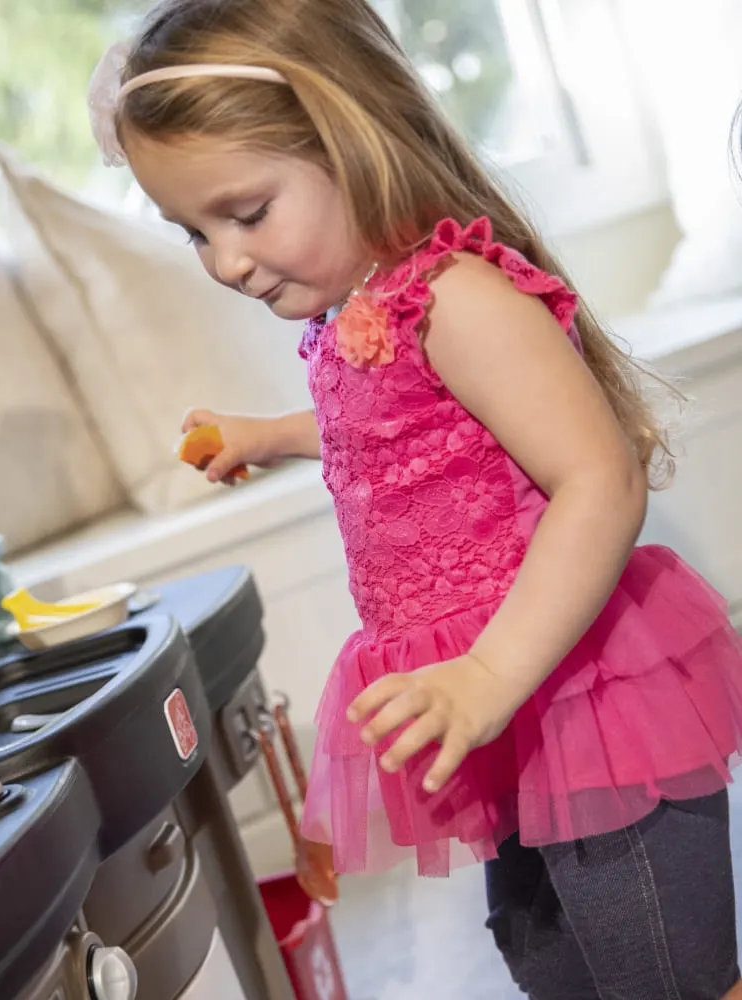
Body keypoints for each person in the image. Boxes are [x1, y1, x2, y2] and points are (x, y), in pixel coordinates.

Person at [87, 2, 742, 995]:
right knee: (550, 959)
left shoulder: (460, 297)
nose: (224, 261)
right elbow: (400, 430)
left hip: (573, 693)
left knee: (663, 971)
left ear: (354, 138)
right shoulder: (365, 314)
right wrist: (270, 435)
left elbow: (597, 479)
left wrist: (486, 675)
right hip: (497, 707)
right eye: (192, 233)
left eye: (247, 213)